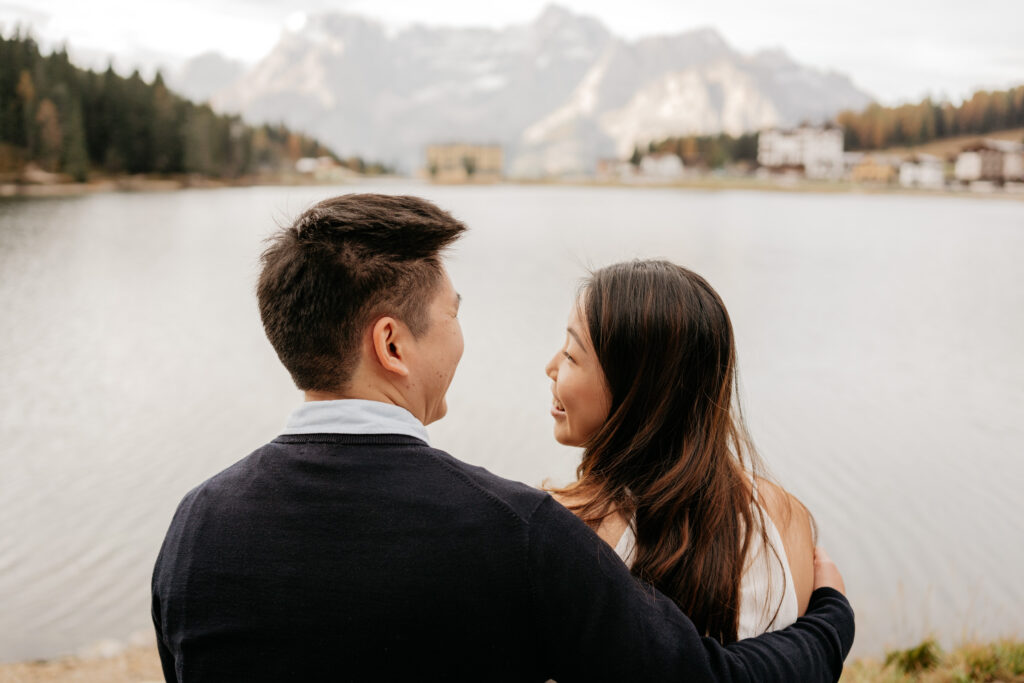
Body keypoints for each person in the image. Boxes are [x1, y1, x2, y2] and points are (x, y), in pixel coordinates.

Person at [151, 193, 854, 682]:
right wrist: (829, 620)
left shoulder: (196, 527)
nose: (462, 332)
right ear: (391, 344)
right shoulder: (516, 533)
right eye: (452, 312)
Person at [545, 259, 815, 643]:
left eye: (571, 355)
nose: (551, 367)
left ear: (637, 389)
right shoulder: (788, 520)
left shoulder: (566, 525)